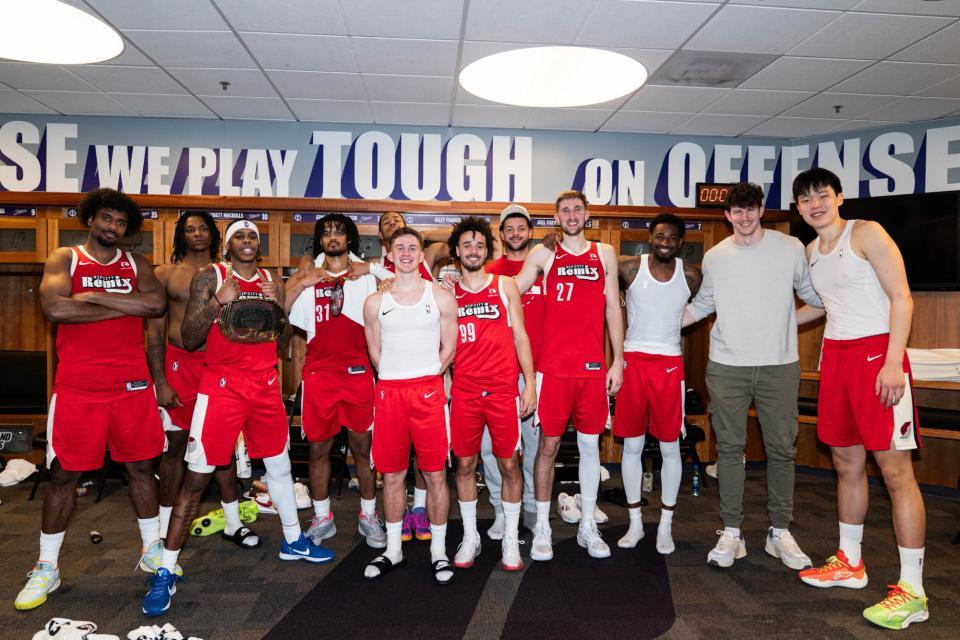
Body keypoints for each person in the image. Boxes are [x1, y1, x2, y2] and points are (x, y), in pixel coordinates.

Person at [142, 220, 333, 617]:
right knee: (196, 478)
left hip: (264, 385)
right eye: (239, 237)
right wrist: (218, 301)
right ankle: (166, 568)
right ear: (228, 246)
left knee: (279, 466)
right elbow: (190, 338)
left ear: (258, 246)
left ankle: (293, 539)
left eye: (252, 237)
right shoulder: (210, 277)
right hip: (222, 387)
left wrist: (278, 307)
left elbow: (281, 341)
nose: (247, 241)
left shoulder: (270, 280)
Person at [16, 188, 166, 611]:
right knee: (64, 475)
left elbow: (156, 304)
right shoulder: (65, 258)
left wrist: (96, 297)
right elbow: (56, 310)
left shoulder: (136, 263)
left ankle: (152, 549)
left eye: (120, 222)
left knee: (141, 468)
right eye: (106, 218)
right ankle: (47, 566)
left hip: (131, 384)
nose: (113, 227)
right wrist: (129, 306)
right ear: (90, 220)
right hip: (79, 385)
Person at [792, 168, 928, 629]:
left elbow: (902, 297)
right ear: (798, 208)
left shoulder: (867, 232)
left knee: (896, 472)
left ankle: (914, 591)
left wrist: (893, 362)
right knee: (845, 464)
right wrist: (772, 321)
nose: (815, 205)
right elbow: (822, 305)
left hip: (878, 355)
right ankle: (850, 562)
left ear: (839, 197)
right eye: (805, 199)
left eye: (822, 195)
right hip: (836, 358)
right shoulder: (811, 251)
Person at [682, 182, 821, 570]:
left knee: (781, 449)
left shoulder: (790, 248)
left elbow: (817, 299)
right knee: (729, 449)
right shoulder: (715, 257)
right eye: (737, 211)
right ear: (727, 216)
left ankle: (780, 532)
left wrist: (784, 322)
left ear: (761, 211)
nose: (744, 217)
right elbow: (703, 305)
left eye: (750, 209)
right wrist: (654, 326)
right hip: (727, 366)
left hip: (779, 365)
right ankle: (732, 531)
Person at [514, 190, 624, 561]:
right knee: (548, 446)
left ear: (587, 214)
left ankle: (587, 526)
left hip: (591, 369)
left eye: (577, 209)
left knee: (591, 447)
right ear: (557, 217)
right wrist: (466, 287)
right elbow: (511, 289)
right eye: (565, 210)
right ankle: (543, 527)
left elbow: (613, 310)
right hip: (553, 370)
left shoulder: (604, 253)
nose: (572, 215)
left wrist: (618, 360)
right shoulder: (543, 253)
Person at [147, 212, 259, 550]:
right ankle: (164, 527)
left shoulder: (228, 274)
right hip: (180, 366)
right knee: (176, 446)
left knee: (221, 448)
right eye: (189, 229)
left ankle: (233, 522)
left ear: (214, 235)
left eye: (203, 228)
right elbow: (154, 332)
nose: (197, 234)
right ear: (180, 236)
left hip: (220, 368)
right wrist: (160, 381)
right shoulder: (164, 274)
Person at [361, 226, 458, 584]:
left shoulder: (441, 296)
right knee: (392, 475)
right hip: (390, 393)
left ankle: (439, 552)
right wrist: (393, 374)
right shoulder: (375, 302)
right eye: (399, 247)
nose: (405, 253)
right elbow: (374, 350)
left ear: (421, 255)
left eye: (412, 248)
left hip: (428, 392)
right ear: (389, 253)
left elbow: (450, 347)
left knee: (435, 474)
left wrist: (430, 374)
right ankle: (393, 550)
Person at [285, 214, 386, 549]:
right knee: (318, 450)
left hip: (357, 372)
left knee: (363, 450)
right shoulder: (309, 275)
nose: (332, 237)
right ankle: (322, 518)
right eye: (326, 232)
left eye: (339, 232)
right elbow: (280, 308)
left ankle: (368, 515)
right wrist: (303, 279)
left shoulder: (364, 275)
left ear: (349, 238)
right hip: (319, 375)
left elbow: (401, 282)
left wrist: (372, 269)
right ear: (320, 240)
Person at [445, 217, 536, 571]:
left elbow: (521, 336)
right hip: (465, 391)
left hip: (502, 389)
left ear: (487, 251)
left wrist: (529, 383)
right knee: (465, 465)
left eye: (479, 245)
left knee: (509, 463)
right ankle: (471, 536)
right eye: (467, 245)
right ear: (457, 251)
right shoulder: (447, 294)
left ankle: (511, 539)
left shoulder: (505, 285)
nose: (473, 251)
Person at [615, 213, 702, 554]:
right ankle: (635, 523)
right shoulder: (628, 267)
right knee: (632, 446)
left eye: (672, 237)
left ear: (681, 242)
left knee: (669, 447)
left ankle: (665, 526)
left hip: (669, 365)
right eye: (660, 236)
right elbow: (595, 269)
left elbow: (709, 302)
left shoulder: (690, 275)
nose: (665, 242)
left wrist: (680, 320)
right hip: (633, 362)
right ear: (650, 237)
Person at [479, 205, 543, 537]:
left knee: (533, 446)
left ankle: (530, 505)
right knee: (491, 447)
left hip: (537, 371)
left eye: (521, 228)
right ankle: (501, 509)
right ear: (501, 235)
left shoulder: (545, 267)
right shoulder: (490, 272)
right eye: (509, 229)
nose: (516, 233)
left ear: (530, 232)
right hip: (498, 373)